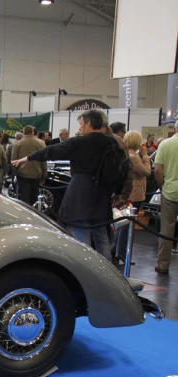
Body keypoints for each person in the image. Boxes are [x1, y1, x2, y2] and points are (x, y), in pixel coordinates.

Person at [12, 109, 128, 262]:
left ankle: (87, 269)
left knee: (82, 234)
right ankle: (109, 270)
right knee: (101, 235)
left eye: (81, 124)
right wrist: (118, 191)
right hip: (102, 193)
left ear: (89, 124)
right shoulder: (112, 142)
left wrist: (29, 158)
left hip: (80, 192)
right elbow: (123, 168)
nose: (80, 128)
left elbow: (52, 151)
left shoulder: (79, 142)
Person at [113, 130, 152, 266]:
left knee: (121, 223)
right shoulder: (134, 157)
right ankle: (122, 252)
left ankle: (116, 250)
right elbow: (146, 172)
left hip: (130, 193)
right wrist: (146, 157)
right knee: (127, 225)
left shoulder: (125, 154)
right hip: (135, 194)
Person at [154, 122, 178, 274]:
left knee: (166, 230)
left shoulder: (165, 144)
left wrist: (161, 185)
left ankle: (163, 264)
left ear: (175, 128)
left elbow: (157, 169)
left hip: (169, 191)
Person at [10, 125, 47, 206]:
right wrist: (44, 175)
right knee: (35, 196)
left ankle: (26, 215)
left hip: (22, 174)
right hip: (37, 174)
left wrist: (15, 172)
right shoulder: (41, 143)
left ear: (23, 133)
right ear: (33, 132)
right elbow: (44, 161)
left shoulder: (17, 144)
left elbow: (13, 161)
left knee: (24, 197)